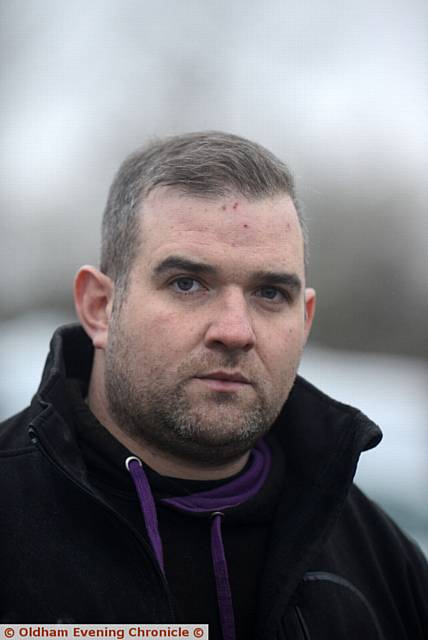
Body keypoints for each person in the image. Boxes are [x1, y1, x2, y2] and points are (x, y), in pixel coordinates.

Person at [0, 132, 427, 639]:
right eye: (187, 283)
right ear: (99, 307)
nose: (235, 331)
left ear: (305, 319)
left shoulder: (383, 564)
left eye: (270, 293)